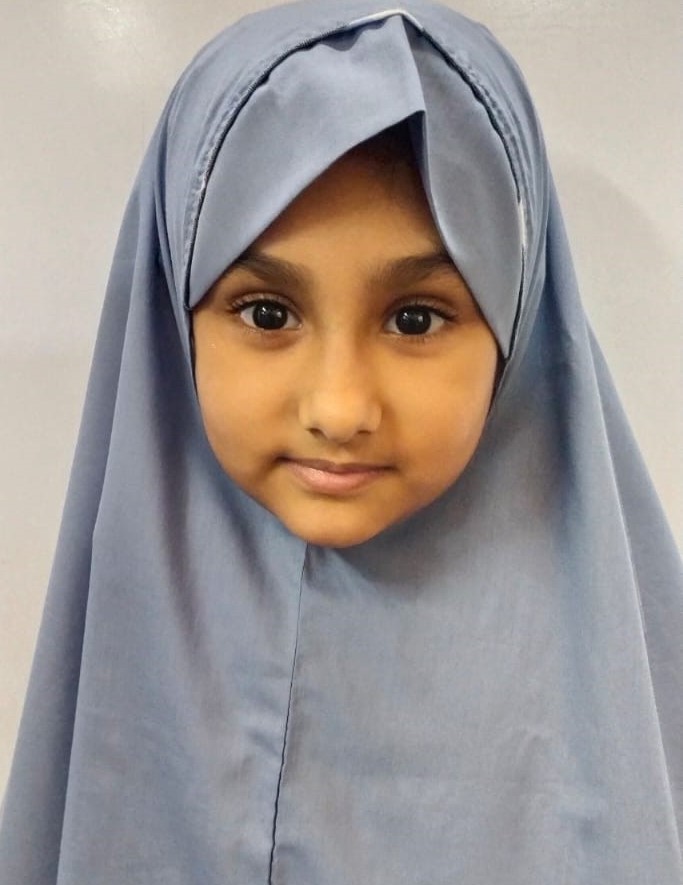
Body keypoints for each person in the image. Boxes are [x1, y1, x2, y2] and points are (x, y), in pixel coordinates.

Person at [1, 1, 681, 883]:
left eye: (415, 318)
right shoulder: (118, 653)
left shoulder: (616, 713)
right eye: (266, 312)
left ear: (516, 326)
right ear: (174, 321)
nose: (338, 407)